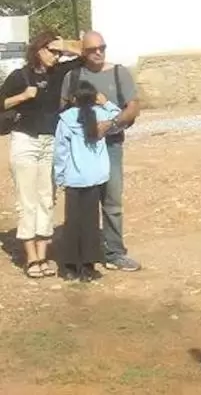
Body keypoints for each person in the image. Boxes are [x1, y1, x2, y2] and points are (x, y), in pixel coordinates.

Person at [0, 31, 82, 278]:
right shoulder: (19, 76)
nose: (56, 57)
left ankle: (43, 253)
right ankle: (31, 257)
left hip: (50, 142)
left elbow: (85, 56)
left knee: (47, 197)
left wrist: (64, 45)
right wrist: (23, 96)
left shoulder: (58, 74)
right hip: (25, 140)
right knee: (28, 199)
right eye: (51, 51)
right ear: (38, 49)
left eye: (58, 52)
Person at [60, 30, 142, 272]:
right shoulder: (72, 77)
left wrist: (110, 124)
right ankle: (85, 255)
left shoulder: (119, 73)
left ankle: (114, 252)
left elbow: (133, 107)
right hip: (81, 150)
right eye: (92, 49)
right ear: (82, 52)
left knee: (112, 201)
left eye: (102, 48)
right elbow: (62, 111)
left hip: (111, 146)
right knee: (83, 204)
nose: (98, 53)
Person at [54, 80, 121, 283]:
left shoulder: (65, 119)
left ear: (74, 99)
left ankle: (70, 267)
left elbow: (60, 152)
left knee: (73, 222)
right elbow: (120, 116)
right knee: (91, 223)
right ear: (94, 98)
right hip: (94, 178)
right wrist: (106, 102)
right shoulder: (101, 115)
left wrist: (59, 177)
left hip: (74, 179)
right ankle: (88, 267)